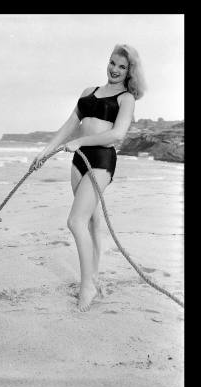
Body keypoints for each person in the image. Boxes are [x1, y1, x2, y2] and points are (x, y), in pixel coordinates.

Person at [31, 44, 146, 312]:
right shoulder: (88, 92)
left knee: (75, 221)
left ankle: (87, 286)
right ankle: (94, 276)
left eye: (122, 66)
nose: (115, 70)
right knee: (92, 221)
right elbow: (68, 126)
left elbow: (117, 135)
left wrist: (82, 140)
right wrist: (44, 152)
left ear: (130, 72)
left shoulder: (126, 98)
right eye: (112, 63)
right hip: (78, 161)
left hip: (101, 161)